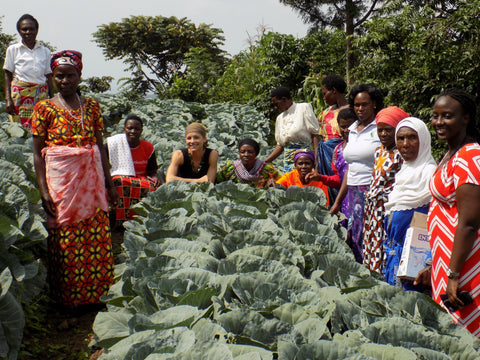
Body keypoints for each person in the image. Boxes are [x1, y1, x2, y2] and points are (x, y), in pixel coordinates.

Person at [31, 50, 118, 310]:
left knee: (96, 234)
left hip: (91, 184)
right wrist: (43, 190)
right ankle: (68, 300)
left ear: (80, 76)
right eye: (60, 76)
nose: (65, 80)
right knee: (65, 237)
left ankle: (97, 296)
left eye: (71, 75)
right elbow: (37, 154)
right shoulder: (43, 108)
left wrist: (109, 183)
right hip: (61, 183)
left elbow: (100, 147)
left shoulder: (91, 106)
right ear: (53, 78)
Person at [420, 88, 480, 338]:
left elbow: (468, 223)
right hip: (448, 258)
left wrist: (453, 274)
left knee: (465, 331)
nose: (438, 122)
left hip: (467, 262)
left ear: (465, 117)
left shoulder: (470, 155)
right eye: (435, 116)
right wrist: (434, 263)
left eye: (447, 116)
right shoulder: (450, 153)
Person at [382, 117, 436, 290]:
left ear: (424, 140)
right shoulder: (403, 173)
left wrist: (429, 262)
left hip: (418, 268)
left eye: (412, 137)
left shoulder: (429, 174)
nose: (405, 144)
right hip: (395, 261)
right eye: (400, 138)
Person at [363, 106, 409, 273]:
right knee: (371, 246)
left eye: (388, 130)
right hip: (372, 209)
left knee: (384, 247)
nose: (383, 134)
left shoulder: (401, 155)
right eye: (380, 130)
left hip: (387, 208)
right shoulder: (379, 152)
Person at [343, 84, 384, 263]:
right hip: (352, 190)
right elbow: (350, 167)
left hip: (372, 189)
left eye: (364, 104)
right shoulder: (352, 129)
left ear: (374, 104)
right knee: (355, 234)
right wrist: (338, 202)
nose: (360, 109)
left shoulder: (380, 127)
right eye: (357, 105)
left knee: (371, 234)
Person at [106, 114, 161, 227]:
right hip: (121, 178)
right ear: (124, 129)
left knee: (153, 187)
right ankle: (121, 221)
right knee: (121, 182)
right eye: (129, 128)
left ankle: (141, 220)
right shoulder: (113, 144)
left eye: (137, 129)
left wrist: (155, 177)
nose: (133, 131)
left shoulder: (148, 147)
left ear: (141, 131)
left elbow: (152, 171)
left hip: (141, 179)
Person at [3, 14, 54, 127]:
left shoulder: (45, 51)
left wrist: (53, 98)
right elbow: (7, 75)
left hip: (41, 95)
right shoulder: (13, 50)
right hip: (20, 96)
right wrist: (8, 100)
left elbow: (49, 76)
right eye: (24, 29)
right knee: (20, 128)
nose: (28, 32)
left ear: (36, 30)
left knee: (41, 126)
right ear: (19, 31)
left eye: (31, 29)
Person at [265, 87, 320, 173]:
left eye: (277, 104)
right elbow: (280, 145)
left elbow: (315, 134)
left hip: (305, 161)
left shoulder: (303, 108)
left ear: (284, 99)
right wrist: (266, 161)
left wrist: (317, 159)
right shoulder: (279, 118)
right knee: (290, 184)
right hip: (289, 162)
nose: (276, 107)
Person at [318, 108, 356, 222]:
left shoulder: (364, 148)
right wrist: (320, 178)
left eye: (350, 126)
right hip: (345, 202)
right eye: (342, 127)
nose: (346, 130)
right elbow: (339, 180)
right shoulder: (337, 150)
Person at [317, 75, 349, 202]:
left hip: (343, 157)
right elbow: (320, 138)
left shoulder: (352, 111)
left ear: (334, 91)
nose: (324, 98)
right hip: (326, 159)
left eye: (325, 93)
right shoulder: (325, 113)